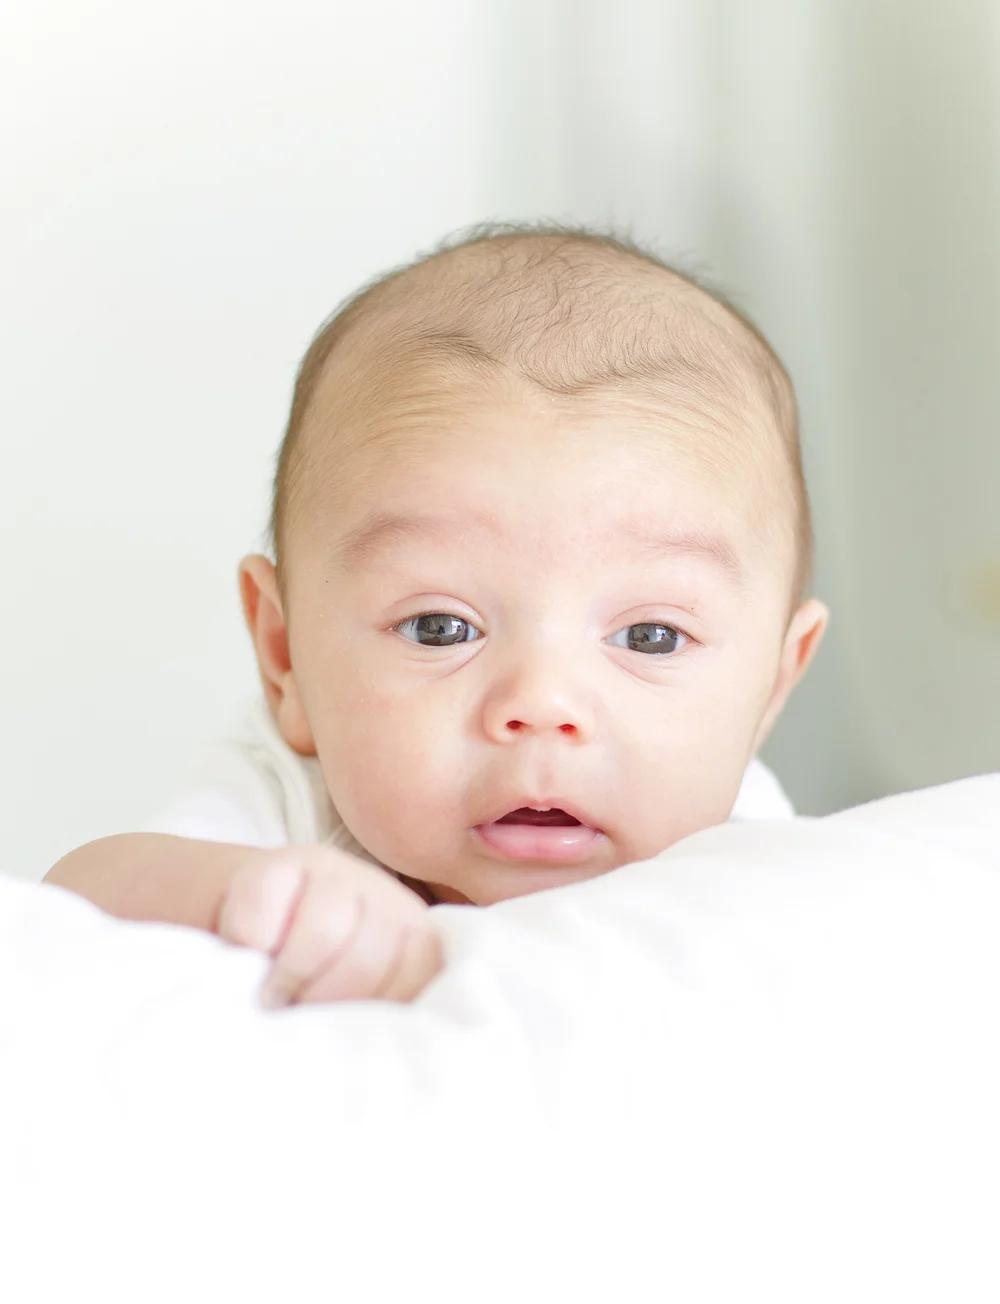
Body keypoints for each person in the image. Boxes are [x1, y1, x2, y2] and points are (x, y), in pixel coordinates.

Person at [46, 223, 829, 1008]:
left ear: (771, 683)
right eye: (439, 628)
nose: (541, 704)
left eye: (650, 637)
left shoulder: (759, 868)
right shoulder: (293, 801)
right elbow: (76, 899)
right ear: (285, 658)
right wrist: (242, 895)